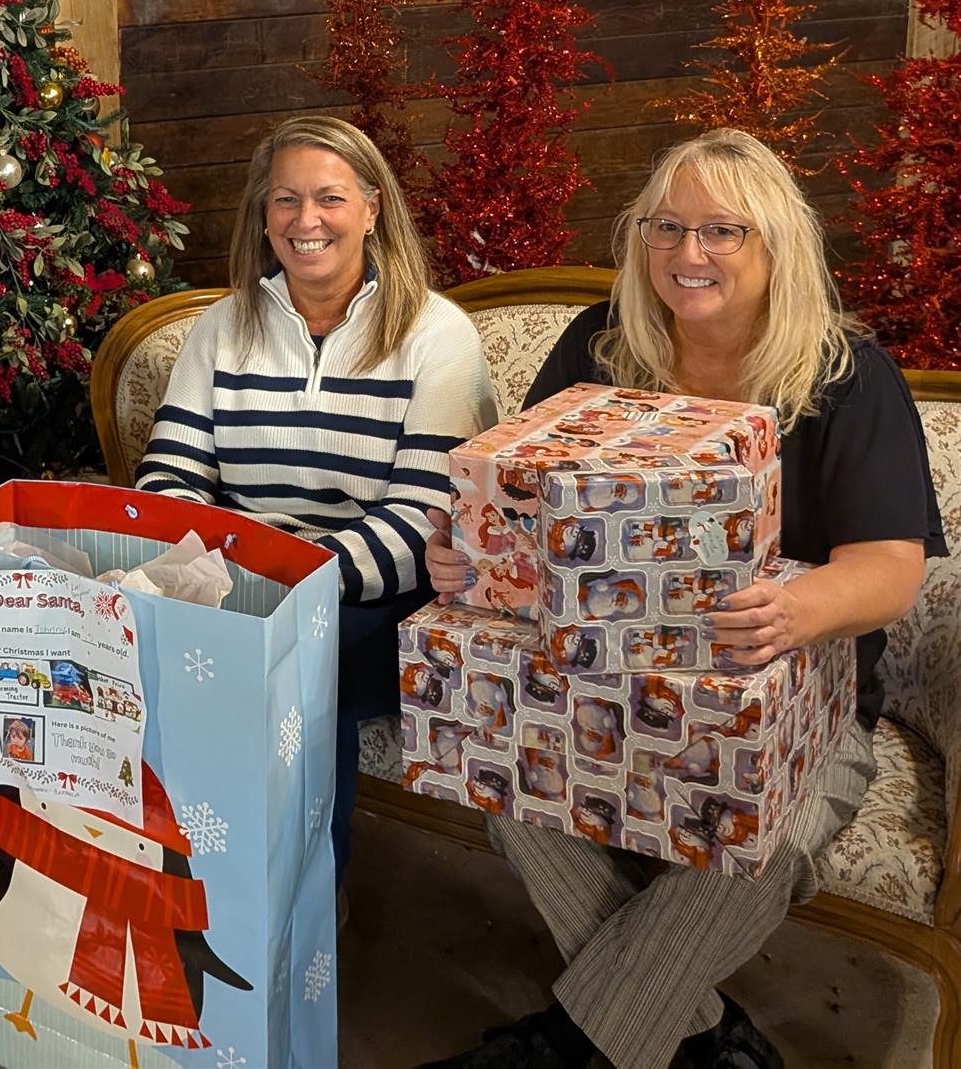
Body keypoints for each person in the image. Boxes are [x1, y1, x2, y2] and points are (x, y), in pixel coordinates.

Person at [419, 129, 945, 1069]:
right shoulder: (600, 347)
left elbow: (890, 566)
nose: (687, 253)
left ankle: (575, 1042)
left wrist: (794, 609)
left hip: (791, 699)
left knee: (767, 842)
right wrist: (467, 554)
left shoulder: (845, 376)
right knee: (510, 793)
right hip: (596, 680)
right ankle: (699, 1035)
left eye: (720, 231)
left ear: (775, 245)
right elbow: (519, 503)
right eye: (665, 228)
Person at [136, 114, 498, 880]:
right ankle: (161, 876)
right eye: (285, 200)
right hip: (232, 581)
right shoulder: (220, 328)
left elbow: (421, 522)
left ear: (371, 209)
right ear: (263, 215)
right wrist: (219, 577)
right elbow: (168, 477)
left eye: (329, 198)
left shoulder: (437, 335)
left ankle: (299, 901)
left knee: (299, 661)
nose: (306, 220)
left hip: (375, 599)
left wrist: (285, 585)